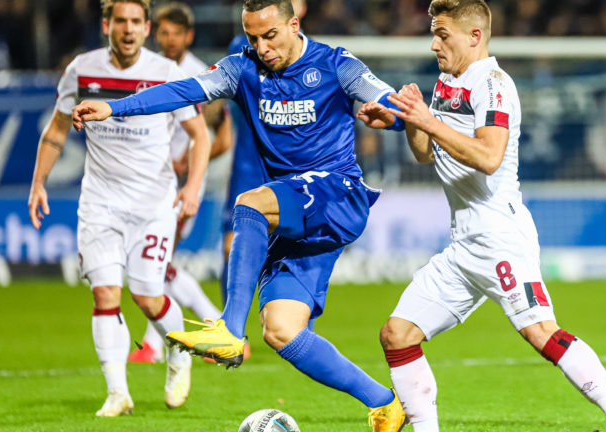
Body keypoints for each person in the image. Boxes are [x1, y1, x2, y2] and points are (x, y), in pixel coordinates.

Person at [72, 1, 407, 430]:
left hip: (337, 193)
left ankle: (229, 330)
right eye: (252, 37)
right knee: (281, 330)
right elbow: (183, 90)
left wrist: (392, 116)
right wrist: (114, 108)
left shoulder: (337, 64)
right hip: (297, 216)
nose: (261, 47)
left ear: (294, 24)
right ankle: (385, 404)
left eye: (270, 35)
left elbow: (393, 104)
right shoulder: (241, 68)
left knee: (249, 203)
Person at [358, 1, 606, 432]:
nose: (434, 44)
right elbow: (425, 155)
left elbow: (489, 157)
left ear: (474, 36)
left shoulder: (493, 84)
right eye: (434, 34)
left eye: (443, 35)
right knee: (397, 334)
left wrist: (429, 121)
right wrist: (409, 119)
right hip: (464, 244)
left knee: (541, 333)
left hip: (500, 236)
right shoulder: (445, 82)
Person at [28, 0, 211, 417]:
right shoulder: (82, 69)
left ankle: (178, 352)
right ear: (106, 25)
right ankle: (117, 393)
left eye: (135, 22)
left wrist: (193, 187)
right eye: (120, 21)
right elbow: (57, 129)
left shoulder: (167, 73)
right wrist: (38, 183)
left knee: (148, 297)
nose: (128, 29)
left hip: (153, 204)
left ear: (146, 28)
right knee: (105, 293)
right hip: (100, 203)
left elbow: (199, 134)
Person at [127, 1, 228, 365]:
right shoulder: (150, 69)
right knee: (154, 263)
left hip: (181, 187)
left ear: (189, 36)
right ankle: (210, 329)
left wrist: (191, 167)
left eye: (177, 33)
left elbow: (223, 137)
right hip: (150, 182)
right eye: (164, 32)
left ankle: (211, 329)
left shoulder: (203, 77)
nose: (170, 40)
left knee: (156, 263)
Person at [219, 0, 305, 309]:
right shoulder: (242, 48)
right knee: (231, 245)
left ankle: (298, 324)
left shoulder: (312, 54)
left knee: (293, 252)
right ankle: (232, 327)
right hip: (249, 162)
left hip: (291, 168)